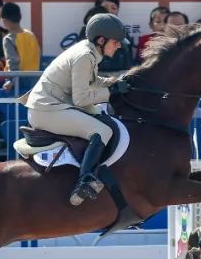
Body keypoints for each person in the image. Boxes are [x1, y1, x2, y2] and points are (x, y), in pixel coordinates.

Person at [25, 13, 131, 207]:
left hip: (52, 106)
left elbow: (92, 81)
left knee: (101, 117)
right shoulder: (84, 56)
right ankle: (84, 181)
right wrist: (111, 93)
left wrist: (116, 82)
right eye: (115, 42)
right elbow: (81, 99)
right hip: (46, 110)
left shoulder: (89, 51)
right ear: (101, 40)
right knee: (102, 131)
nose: (119, 46)